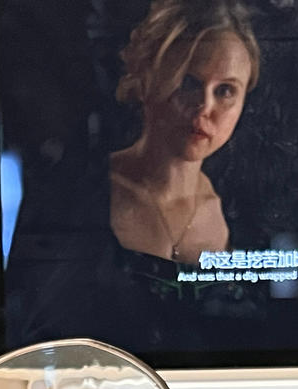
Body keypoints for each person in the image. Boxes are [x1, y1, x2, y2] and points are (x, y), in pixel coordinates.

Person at [108, 0, 260, 265]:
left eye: (225, 90)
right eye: (189, 82)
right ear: (146, 79)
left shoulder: (234, 211)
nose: (205, 107)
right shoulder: (94, 191)